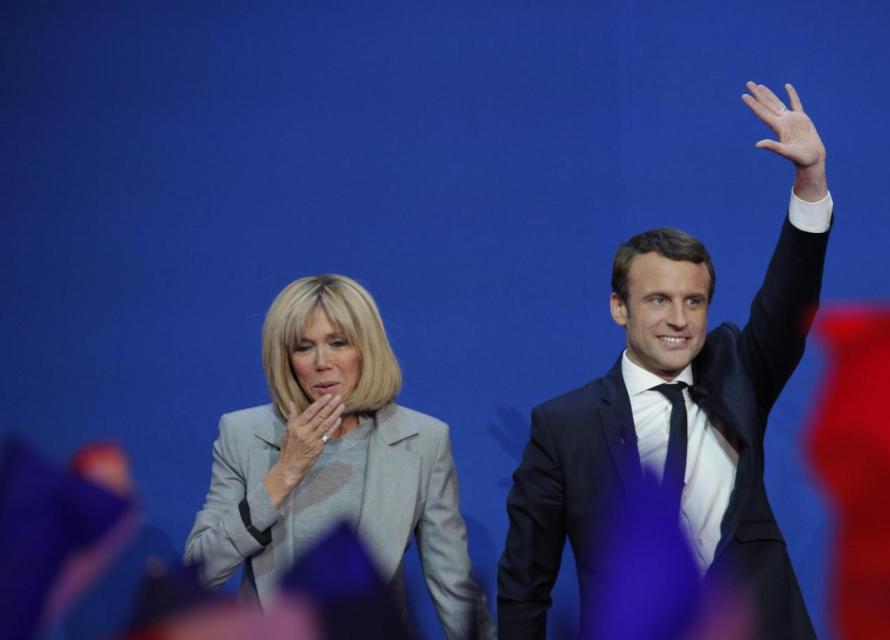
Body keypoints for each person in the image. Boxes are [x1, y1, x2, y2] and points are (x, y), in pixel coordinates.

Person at [497, 81, 832, 639]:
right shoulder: (565, 426)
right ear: (618, 308)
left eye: (693, 301)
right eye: (658, 300)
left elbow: (788, 299)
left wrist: (810, 181)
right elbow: (525, 583)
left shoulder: (738, 373)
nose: (679, 318)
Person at [185, 274, 495, 639]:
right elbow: (199, 572)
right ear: (286, 359)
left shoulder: (423, 439)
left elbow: (453, 587)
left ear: (366, 348)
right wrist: (283, 475)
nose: (322, 362)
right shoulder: (243, 433)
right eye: (303, 347)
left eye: (338, 342)